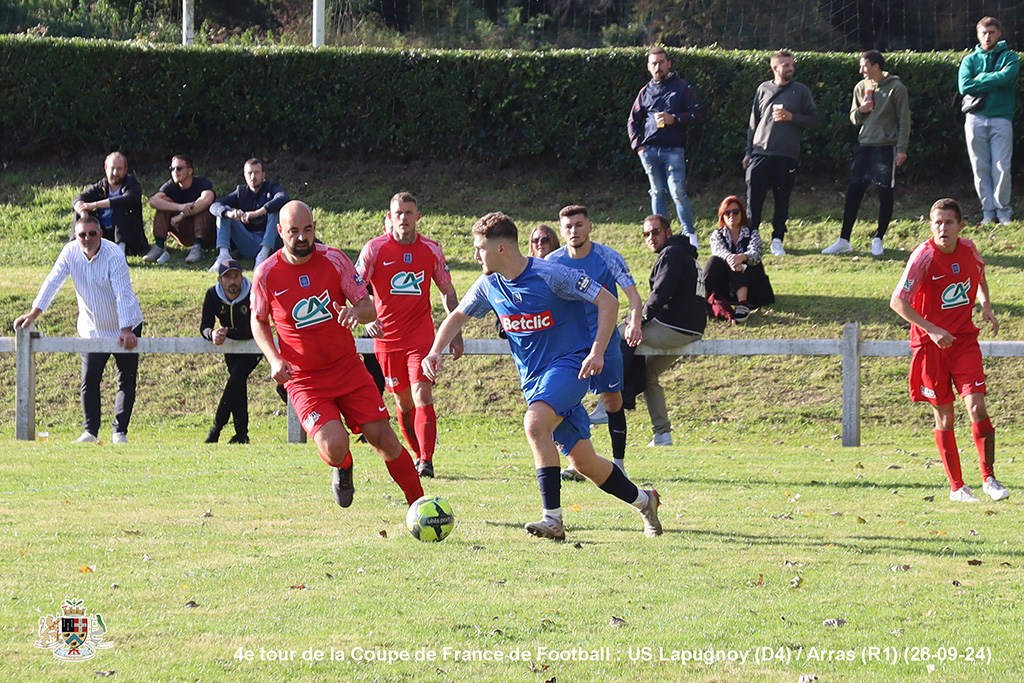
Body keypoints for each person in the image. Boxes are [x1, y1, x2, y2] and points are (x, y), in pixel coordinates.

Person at [423, 212, 662, 541]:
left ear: (501, 248)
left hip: (572, 366)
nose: (476, 255)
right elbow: (457, 317)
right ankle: (646, 501)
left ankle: (553, 519)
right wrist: (435, 351)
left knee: (534, 424)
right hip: (535, 382)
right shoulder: (489, 285)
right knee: (585, 463)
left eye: (480, 248)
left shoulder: (551, 274)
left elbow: (607, 301)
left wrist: (596, 351)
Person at [251, 201, 423, 510]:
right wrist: (274, 358)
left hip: (347, 368)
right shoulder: (266, 272)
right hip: (304, 379)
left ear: (315, 228)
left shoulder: (334, 259)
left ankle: (421, 506)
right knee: (334, 446)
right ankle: (343, 466)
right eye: (293, 231)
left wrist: (356, 312)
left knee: (384, 438)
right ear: (280, 231)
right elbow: (258, 320)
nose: (302, 237)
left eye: (307, 230)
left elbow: (368, 307)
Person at [890, 198, 1009, 503]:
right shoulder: (923, 257)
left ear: (960, 226)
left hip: (963, 341)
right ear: (931, 226)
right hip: (930, 346)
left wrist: (986, 305)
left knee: (977, 407)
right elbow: (898, 302)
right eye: (937, 223)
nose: (942, 228)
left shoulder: (969, 249)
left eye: (948, 222)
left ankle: (989, 479)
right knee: (945, 416)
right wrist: (931, 328)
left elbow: (979, 275)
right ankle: (957, 487)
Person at [355, 192, 464, 478]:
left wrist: (455, 331)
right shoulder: (374, 249)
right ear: (389, 217)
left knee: (422, 394)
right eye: (398, 213)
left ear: (418, 216)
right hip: (388, 340)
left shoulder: (431, 249)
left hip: (420, 338)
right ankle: (417, 455)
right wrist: (368, 319)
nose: (403, 218)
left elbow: (447, 292)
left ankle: (426, 460)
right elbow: (354, 289)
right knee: (404, 404)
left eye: (408, 212)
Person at [13, 215, 144, 444]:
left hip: (126, 326)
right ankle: (90, 432)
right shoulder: (69, 252)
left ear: (100, 234)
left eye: (92, 233)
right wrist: (33, 314)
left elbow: (123, 293)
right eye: (82, 234)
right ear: (76, 236)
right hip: (92, 329)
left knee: (126, 380)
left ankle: (119, 432)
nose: (87, 238)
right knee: (89, 380)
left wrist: (125, 329)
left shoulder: (114, 255)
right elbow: (53, 281)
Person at [546, 205, 643, 481]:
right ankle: (577, 462)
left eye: (579, 225)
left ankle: (618, 464)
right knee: (565, 402)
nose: (574, 231)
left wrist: (635, 321)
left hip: (605, 340)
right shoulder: (552, 261)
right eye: (568, 227)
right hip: (569, 344)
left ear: (590, 227)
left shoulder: (607, 257)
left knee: (612, 400)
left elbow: (633, 296)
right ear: (561, 230)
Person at [622, 215, 707, 447]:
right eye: (646, 234)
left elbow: (660, 294)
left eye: (655, 232)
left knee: (618, 334)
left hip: (675, 328)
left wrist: (638, 321)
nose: (651, 237)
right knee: (648, 374)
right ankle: (662, 435)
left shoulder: (672, 253)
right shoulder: (683, 254)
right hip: (690, 329)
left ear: (668, 232)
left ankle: (609, 400)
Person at [822, 51, 911, 257]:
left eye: (864, 66)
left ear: (876, 66)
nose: (861, 70)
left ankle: (878, 239)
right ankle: (844, 240)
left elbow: (904, 120)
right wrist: (861, 110)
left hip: (886, 147)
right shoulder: (861, 87)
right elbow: (854, 118)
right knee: (854, 192)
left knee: (885, 193)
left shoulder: (896, 88)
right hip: (864, 146)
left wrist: (901, 149)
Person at [744, 49, 820, 257]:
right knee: (753, 200)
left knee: (782, 200)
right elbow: (753, 123)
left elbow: (814, 120)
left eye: (792, 65)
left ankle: (777, 239)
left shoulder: (801, 91)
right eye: (786, 65)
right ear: (774, 67)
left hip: (787, 155)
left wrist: (791, 117)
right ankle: (752, 239)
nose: (790, 69)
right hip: (760, 153)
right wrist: (749, 152)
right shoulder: (763, 89)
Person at [627, 46, 702, 248]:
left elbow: (696, 113)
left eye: (661, 62)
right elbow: (633, 120)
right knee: (657, 193)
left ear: (669, 64)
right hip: (649, 151)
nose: (658, 67)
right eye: (654, 63)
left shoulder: (682, 87)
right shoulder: (645, 91)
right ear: (648, 67)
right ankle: (661, 238)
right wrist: (638, 146)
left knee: (678, 192)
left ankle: (690, 236)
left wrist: (674, 119)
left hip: (674, 150)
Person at [959, 17, 1019, 226]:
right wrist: (993, 78)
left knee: (1002, 166)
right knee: (980, 167)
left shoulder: (1010, 57)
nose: (987, 36)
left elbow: (1007, 78)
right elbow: (964, 86)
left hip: (1001, 118)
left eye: (991, 32)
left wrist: (980, 78)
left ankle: (1003, 212)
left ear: (999, 33)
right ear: (978, 35)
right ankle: (988, 212)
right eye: (983, 33)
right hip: (975, 118)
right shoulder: (969, 60)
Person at [200, 258, 261, 444]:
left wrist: (227, 332)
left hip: (254, 345)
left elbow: (254, 329)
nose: (233, 281)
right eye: (228, 277)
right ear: (220, 280)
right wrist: (212, 334)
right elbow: (205, 326)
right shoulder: (212, 295)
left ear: (242, 277)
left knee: (234, 382)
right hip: (231, 347)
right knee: (238, 386)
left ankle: (215, 430)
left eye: (236, 276)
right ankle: (241, 434)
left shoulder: (253, 293)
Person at [209, 158, 291, 271]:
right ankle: (223, 255)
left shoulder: (271, 188)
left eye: (256, 172)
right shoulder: (240, 192)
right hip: (248, 241)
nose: (253, 177)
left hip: (271, 243)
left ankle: (263, 255)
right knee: (223, 211)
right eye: (249, 173)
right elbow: (214, 205)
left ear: (263, 174)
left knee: (275, 210)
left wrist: (257, 213)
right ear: (244, 175)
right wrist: (231, 214)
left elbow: (283, 198)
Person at [703, 196, 774, 324]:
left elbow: (756, 253)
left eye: (736, 212)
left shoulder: (752, 233)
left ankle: (743, 304)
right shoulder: (717, 235)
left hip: (751, 283)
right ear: (722, 215)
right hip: (726, 285)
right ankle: (700, 300)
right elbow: (718, 250)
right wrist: (731, 258)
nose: (732, 215)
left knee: (742, 260)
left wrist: (741, 257)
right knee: (714, 261)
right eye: (727, 212)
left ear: (742, 213)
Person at [72, 151, 150, 257]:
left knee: (120, 210)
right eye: (112, 168)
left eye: (119, 169)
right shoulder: (102, 186)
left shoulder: (133, 185)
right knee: (79, 212)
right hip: (103, 233)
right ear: (106, 169)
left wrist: (95, 204)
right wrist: (83, 212)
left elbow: (126, 199)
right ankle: (74, 250)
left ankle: (120, 254)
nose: (115, 173)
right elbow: (79, 198)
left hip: (128, 237)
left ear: (125, 169)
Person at [144, 155, 216, 264]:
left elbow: (207, 200)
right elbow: (154, 201)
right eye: (172, 169)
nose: (175, 172)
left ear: (190, 171)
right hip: (181, 231)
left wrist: (182, 215)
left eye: (179, 168)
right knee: (164, 202)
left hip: (205, 232)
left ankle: (198, 247)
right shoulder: (171, 185)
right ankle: (159, 246)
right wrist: (179, 207)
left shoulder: (202, 183)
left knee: (203, 208)